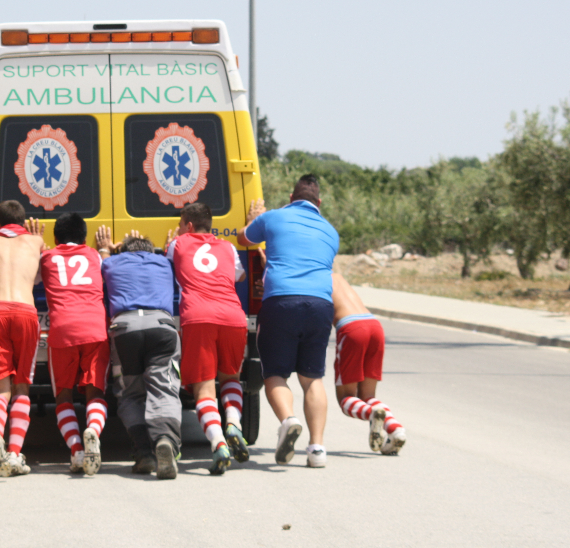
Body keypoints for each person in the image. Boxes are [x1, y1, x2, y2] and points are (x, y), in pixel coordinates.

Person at [237, 174, 339, 468]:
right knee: (312, 378)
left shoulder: (274, 217)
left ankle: (288, 420)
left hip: (281, 302)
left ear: (291, 199)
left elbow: (243, 238)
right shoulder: (331, 232)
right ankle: (317, 449)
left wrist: (254, 220)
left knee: (275, 374)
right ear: (319, 202)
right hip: (320, 305)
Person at [165, 202, 248, 475]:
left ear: (188, 225)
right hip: (234, 317)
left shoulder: (177, 244)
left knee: (204, 388)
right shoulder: (228, 247)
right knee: (231, 377)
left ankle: (218, 443)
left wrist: (170, 244)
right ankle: (233, 423)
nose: (179, 229)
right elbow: (240, 275)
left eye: (180, 225)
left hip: (198, 316)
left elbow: (167, 267)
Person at [97, 228, 181, 480]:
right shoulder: (164, 263)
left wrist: (106, 248)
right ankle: (164, 439)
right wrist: (168, 245)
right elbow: (170, 256)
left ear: (123, 251)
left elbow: (102, 262)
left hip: (125, 329)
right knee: (164, 388)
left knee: (130, 392)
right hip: (161, 327)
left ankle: (144, 452)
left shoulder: (112, 263)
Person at [36, 212, 109, 476]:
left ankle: (77, 450)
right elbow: (106, 268)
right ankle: (93, 430)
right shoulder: (94, 255)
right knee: (95, 392)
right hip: (95, 328)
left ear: (55, 238)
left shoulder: (47, 257)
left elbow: (32, 276)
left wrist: (36, 245)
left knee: (63, 395)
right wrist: (105, 247)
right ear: (85, 238)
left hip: (62, 331)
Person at [0, 200, 44, 477]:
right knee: (22, 387)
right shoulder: (36, 242)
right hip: (25, 313)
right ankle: (15, 453)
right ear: (24, 222)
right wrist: (37, 239)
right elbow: (40, 275)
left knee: (0, 387)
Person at [331, 273, 406, 455]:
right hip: (374, 326)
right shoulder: (337, 276)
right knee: (368, 395)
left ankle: (371, 413)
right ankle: (395, 429)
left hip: (351, 329)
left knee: (346, 398)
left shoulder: (312, 276)